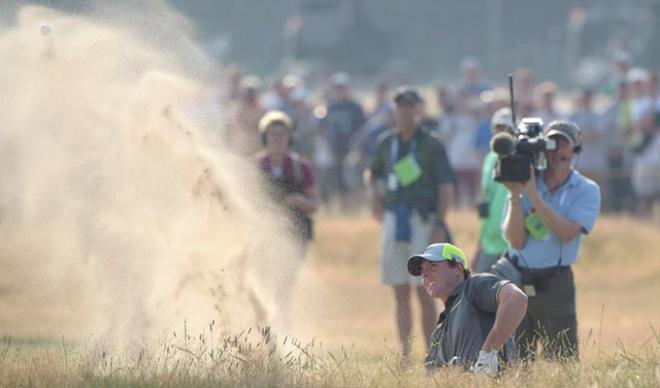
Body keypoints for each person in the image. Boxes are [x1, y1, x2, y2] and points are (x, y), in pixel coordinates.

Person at [366, 87, 456, 363]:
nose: (405, 111)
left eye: (410, 106)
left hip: (422, 219)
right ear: (394, 110)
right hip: (395, 219)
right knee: (399, 289)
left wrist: (440, 222)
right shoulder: (387, 143)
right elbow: (372, 172)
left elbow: (445, 186)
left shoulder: (431, 143)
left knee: (425, 288)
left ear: (419, 109)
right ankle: (405, 355)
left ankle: (432, 353)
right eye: (400, 106)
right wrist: (373, 196)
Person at [502, 120, 601, 360]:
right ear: (543, 149)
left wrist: (535, 199)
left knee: (562, 358)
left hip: (555, 281)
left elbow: (567, 233)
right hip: (517, 277)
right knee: (516, 360)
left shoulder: (586, 189)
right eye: (553, 143)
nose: (558, 151)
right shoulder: (526, 182)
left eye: (565, 145)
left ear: (575, 150)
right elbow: (516, 241)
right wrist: (516, 195)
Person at [407, 243, 527, 374]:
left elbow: (516, 298)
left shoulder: (474, 287)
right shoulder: (438, 331)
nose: (425, 274)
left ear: (458, 268)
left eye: (433, 266)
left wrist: (489, 353)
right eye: (422, 271)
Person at [256, 110, 318, 247]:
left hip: (295, 233)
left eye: (281, 134)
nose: (277, 138)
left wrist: (298, 201)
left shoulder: (301, 167)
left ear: (290, 137)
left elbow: (314, 205)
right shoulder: (256, 167)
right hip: (263, 232)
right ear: (265, 137)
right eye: (273, 134)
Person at [472, 108, 513, 273]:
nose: (501, 133)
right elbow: (485, 200)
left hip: (510, 242)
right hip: (489, 240)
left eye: (505, 128)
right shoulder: (489, 158)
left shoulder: (519, 160)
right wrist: (479, 245)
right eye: (497, 128)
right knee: (480, 293)